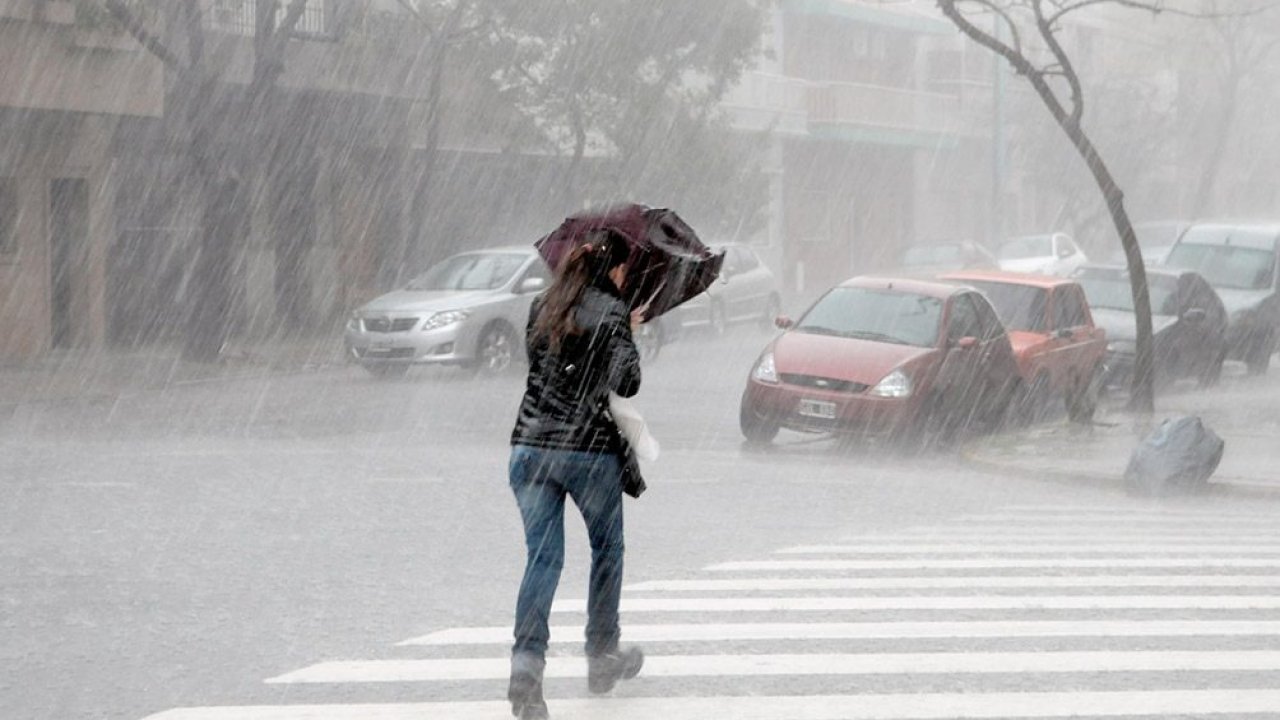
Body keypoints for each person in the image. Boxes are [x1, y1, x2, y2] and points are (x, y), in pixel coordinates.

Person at [507, 229, 645, 720]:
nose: (626, 278)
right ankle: (602, 655)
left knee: (542, 562)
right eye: (626, 270)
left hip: (528, 449)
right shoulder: (611, 311)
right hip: (587, 452)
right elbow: (626, 381)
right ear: (614, 269)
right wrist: (625, 328)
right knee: (607, 550)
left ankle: (526, 669)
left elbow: (544, 367)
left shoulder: (540, 305)